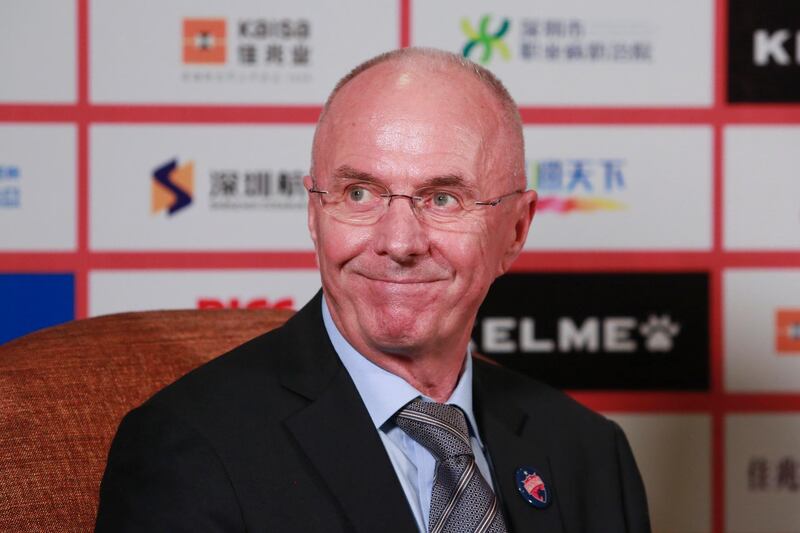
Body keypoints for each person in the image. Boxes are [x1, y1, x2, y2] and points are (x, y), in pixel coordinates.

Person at [95, 48, 650, 533]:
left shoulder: (590, 454)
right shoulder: (190, 448)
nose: (399, 242)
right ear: (315, 213)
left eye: (442, 199)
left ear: (516, 231)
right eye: (359, 193)